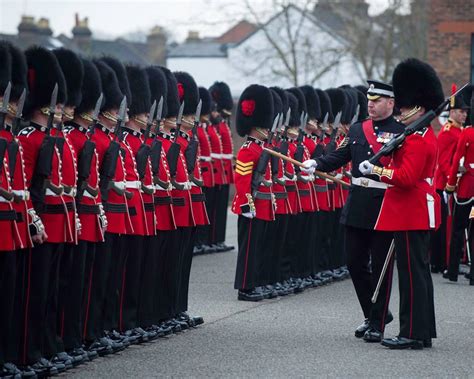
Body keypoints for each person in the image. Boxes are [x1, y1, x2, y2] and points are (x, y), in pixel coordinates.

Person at [303, 80, 402, 342]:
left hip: (384, 204)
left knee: (381, 267)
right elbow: (340, 156)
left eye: (377, 99)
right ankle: (372, 313)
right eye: (369, 99)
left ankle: (377, 323)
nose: (370, 103)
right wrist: (317, 163)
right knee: (355, 263)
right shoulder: (359, 129)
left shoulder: (401, 132)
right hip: (358, 203)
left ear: (390, 103)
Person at [358, 58, 443, 349]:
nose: (401, 112)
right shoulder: (415, 136)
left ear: (418, 108)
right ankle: (421, 332)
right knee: (416, 276)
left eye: (404, 108)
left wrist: (378, 170)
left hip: (410, 212)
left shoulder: (419, 140)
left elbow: (406, 178)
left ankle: (411, 333)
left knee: (412, 278)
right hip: (412, 213)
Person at [233, 84, 276, 301]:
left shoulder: (261, 148)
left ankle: (254, 282)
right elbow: (241, 181)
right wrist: (246, 204)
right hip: (251, 205)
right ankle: (244, 287)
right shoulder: (248, 150)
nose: (268, 130)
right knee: (248, 249)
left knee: (258, 248)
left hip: (262, 204)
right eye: (265, 126)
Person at [432, 85, 469, 273]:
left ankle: (450, 260)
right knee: (447, 226)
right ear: (452, 112)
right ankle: (444, 263)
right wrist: (452, 181)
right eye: (461, 112)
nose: (464, 115)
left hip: (457, 182)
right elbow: (445, 162)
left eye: (465, 112)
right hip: (446, 184)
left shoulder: (459, 131)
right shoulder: (447, 133)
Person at [444, 89, 473, 284]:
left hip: (466, 190)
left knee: (457, 230)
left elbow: (455, 163)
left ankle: (453, 270)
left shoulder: (467, 133)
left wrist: (450, 185)